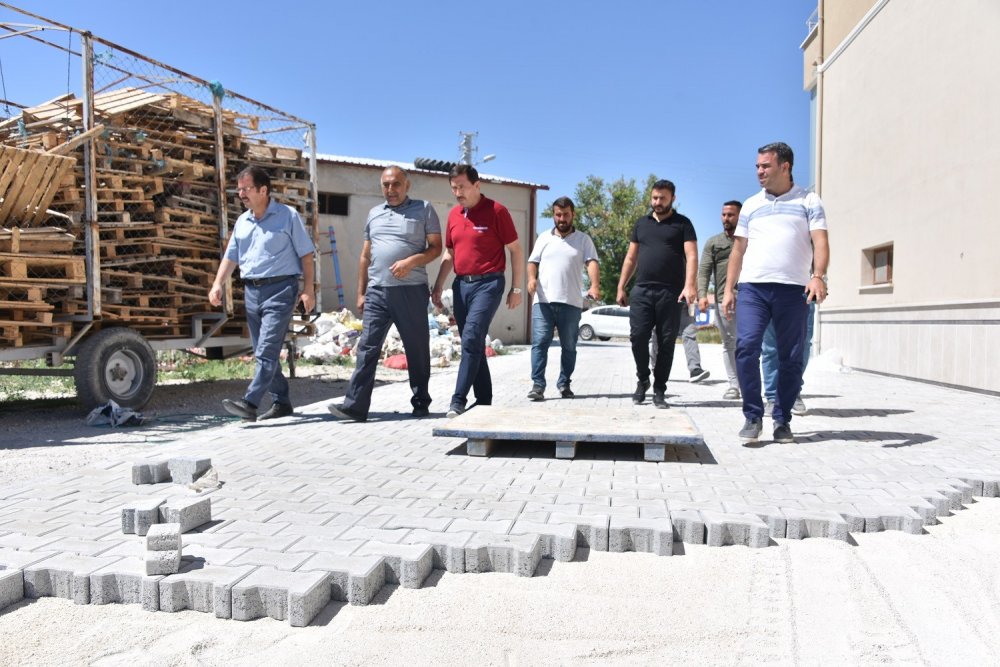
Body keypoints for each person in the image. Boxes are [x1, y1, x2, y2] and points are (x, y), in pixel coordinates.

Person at [722, 142, 829, 444]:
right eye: (757, 166)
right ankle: (753, 415)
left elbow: (820, 241)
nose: (759, 171)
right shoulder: (752, 205)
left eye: (765, 166)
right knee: (746, 347)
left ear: (785, 166)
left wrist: (817, 276)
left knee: (791, 357)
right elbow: (738, 250)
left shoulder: (809, 201)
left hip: (793, 290)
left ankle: (782, 419)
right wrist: (729, 289)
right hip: (753, 288)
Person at [327, 166, 442, 422]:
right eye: (386, 185)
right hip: (377, 291)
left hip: (411, 291)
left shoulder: (424, 209)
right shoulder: (374, 214)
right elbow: (365, 255)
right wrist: (361, 292)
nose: (390, 190)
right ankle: (355, 406)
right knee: (367, 348)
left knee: (417, 350)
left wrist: (411, 262)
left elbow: (436, 248)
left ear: (407, 186)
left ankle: (421, 400)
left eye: (396, 184)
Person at [210, 165, 315, 422]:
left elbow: (306, 254)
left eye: (246, 189)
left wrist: (308, 289)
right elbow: (231, 256)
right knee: (261, 350)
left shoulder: (287, 216)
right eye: (240, 189)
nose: (241, 193)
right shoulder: (243, 221)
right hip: (252, 292)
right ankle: (282, 402)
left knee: (267, 350)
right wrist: (217, 284)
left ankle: (250, 402)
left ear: (263, 190)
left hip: (281, 289)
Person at [432, 164, 524, 418]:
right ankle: (484, 400)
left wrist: (516, 288)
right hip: (461, 285)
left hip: (490, 283)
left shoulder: (497, 211)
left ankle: (457, 401)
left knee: (472, 337)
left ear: (477, 185)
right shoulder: (453, 216)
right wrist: (439, 283)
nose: (457, 192)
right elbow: (449, 253)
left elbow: (515, 250)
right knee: (472, 341)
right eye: (454, 188)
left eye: (462, 186)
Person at [616, 179, 698, 409]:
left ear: (673, 198)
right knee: (638, 337)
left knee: (666, 342)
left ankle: (660, 388)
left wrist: (689, 285)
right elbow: (631, 258)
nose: (657, 202)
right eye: (654, 197)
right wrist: (622, 285)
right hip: (642, 290)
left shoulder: (683, 224)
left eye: (662, 198)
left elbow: (691, 255)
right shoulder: (641, 224)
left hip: (670, 292)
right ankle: (643, 379)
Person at [526, 196, 600, 401]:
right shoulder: (543, 238)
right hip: (543, 301)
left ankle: (564, 384)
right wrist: (532, 279)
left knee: (569, 346)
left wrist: (594, 285)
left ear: (573, 214)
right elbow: (532, 262)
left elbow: (592, 262)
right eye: (558, 214)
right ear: (553, 215)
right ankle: (538, 385)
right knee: (540, 343)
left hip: (571, 302)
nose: (562, 218)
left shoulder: (583, 240)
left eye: (566, 214)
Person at [697, 200, 742, 400]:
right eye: (724, 215)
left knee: (751, 343)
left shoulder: (750, 240)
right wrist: (701, 295)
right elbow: (704, 271)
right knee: (729, 343)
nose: (726, 218)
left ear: (740, 216)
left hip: (751, 298)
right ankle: (734, 385)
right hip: (725, 300)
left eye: (731, 215)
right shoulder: (714, 243)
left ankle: (753, 383)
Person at [762, 302, 814, 417]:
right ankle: (772, 397)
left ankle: (794, 392)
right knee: (770, 347)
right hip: (771, 290)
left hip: (805, 293)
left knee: (802, 344)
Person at [649, 309, 710, 384]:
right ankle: (656, 368)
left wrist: (701, 297)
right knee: (658, 335)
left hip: (684, 302)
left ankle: (695, 369)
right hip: (660, 300)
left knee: (689, 332)